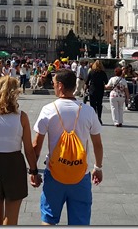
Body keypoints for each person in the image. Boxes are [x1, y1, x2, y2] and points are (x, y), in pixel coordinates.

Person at [32, 69, 103, 226]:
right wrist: (97, 167)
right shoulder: (88, 111)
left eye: (55, 83)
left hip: (54, 173)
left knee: (49, 220)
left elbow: (36, 144)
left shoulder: (48, 109)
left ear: (61, 86)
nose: (53, 85)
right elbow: (97, 144)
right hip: (80, 174)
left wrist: (33, 171)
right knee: (80, 221)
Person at [0, 76, 39, 225]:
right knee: (11, 219)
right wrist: (34, 171)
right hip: (15, 165)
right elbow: (28, 150)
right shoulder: (21, 117)